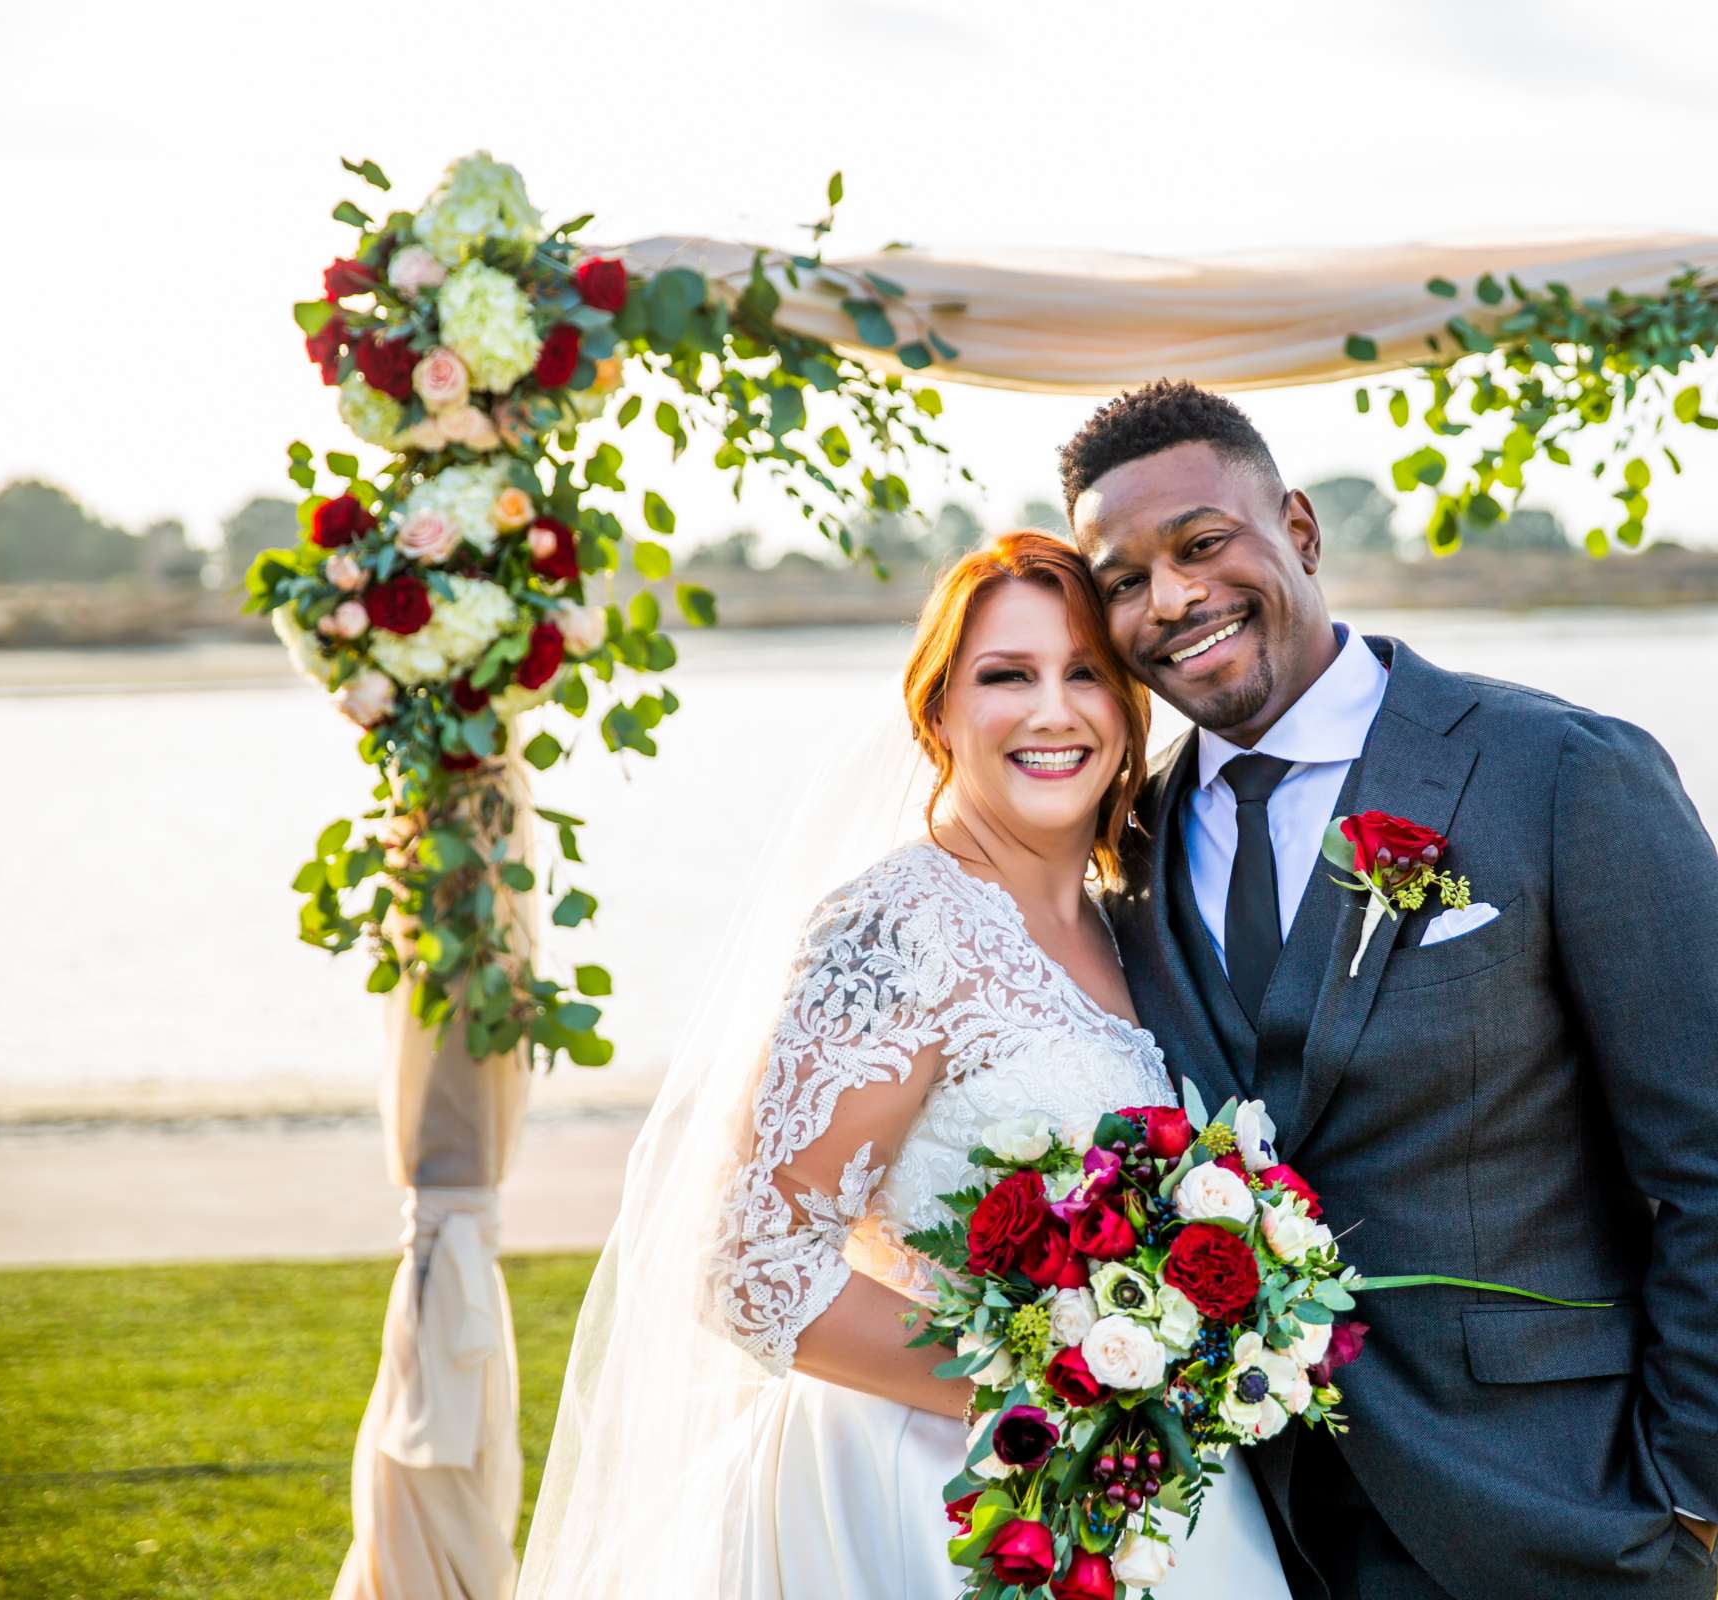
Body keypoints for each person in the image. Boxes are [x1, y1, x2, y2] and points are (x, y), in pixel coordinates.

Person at [1066, 380, 1718, 1599]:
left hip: (1557, 1509)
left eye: (1203, 544)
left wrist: (1687, 1482)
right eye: (1124, 581)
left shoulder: (1561, 771)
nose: (1175, 599)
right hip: (1252, 1531)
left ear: (1299, 529)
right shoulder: (1123, 839)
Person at [517, 532, 1294, 1598]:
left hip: (1138, 1488)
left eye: (1085, 674)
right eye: (1005, 676)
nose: (1052, 710)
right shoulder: (897, 929)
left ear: (1129, 709)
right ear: (936, 715)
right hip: (929, 1495)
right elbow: (751, 1267)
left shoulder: (1134, 926)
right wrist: (1063, 1385)